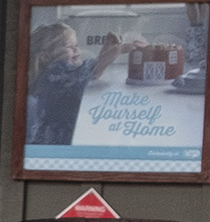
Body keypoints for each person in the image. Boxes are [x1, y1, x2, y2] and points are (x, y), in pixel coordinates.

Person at [24, 20, 133, 148]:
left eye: (76, 44)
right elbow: (86, 70)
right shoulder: (53, 74)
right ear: (45, 56)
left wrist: (106, 51)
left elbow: (92, 73)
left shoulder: (63, 75)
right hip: (56, 145)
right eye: (69, 46)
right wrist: (117, 50)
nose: (77, 49)